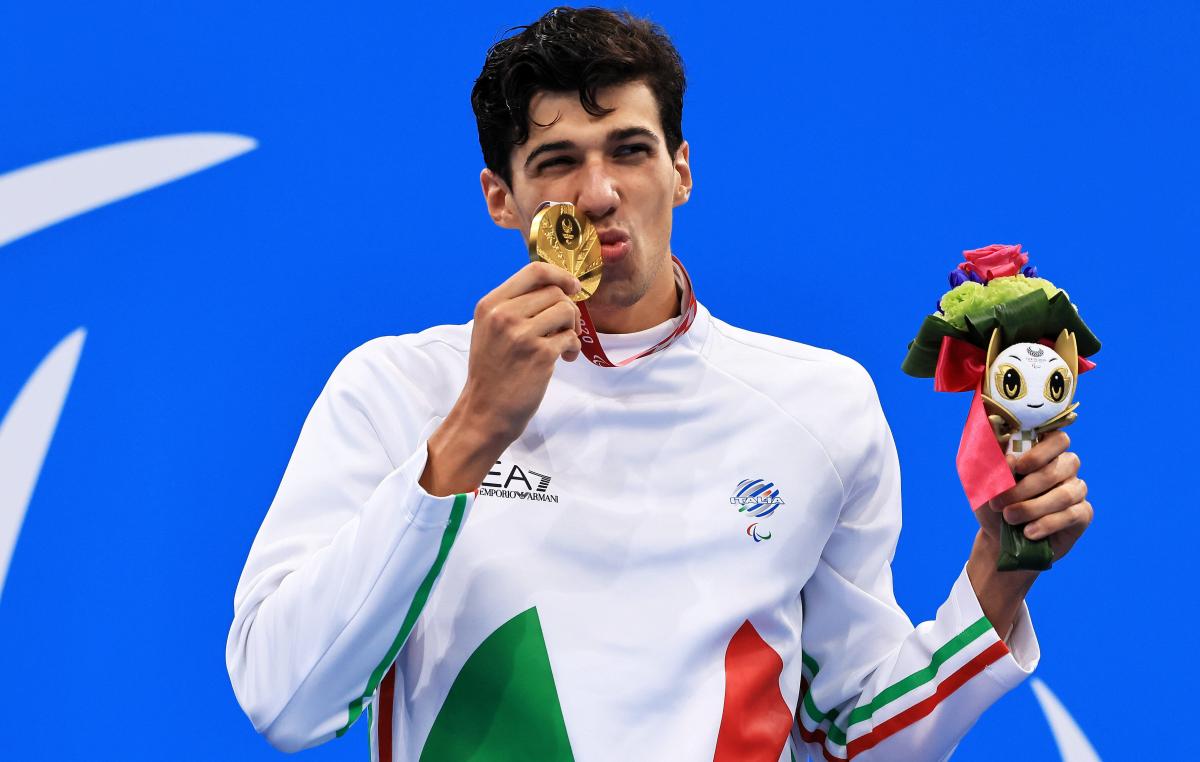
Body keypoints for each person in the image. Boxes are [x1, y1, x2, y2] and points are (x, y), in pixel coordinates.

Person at [226, 7, 1093, 761]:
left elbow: (853, 739)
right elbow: (285, 699)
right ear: (502, 196)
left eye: (630, 151)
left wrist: (998, 572)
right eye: (557, 160)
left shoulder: (818, 406)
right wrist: (471, 431)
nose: (599, 193)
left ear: (681, 167)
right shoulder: (394, 389)